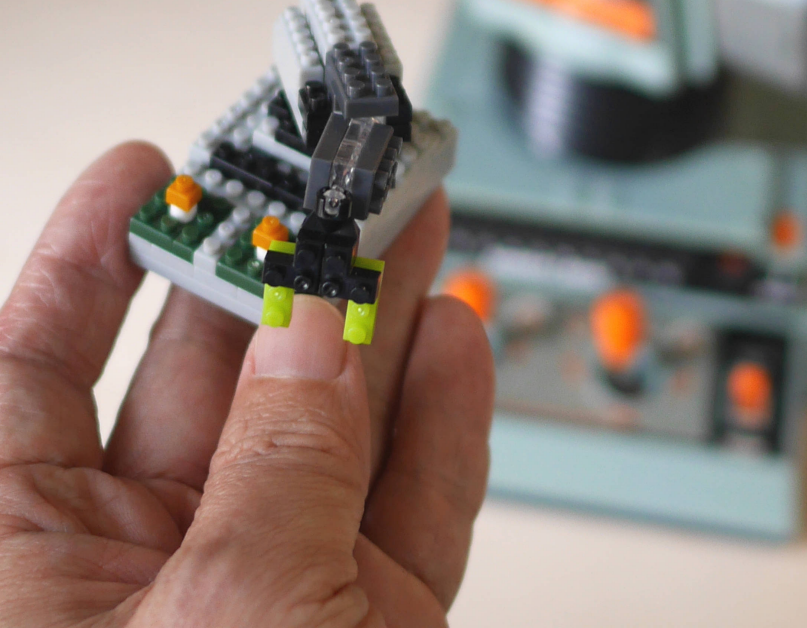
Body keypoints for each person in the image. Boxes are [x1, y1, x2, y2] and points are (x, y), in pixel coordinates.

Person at [0, 142, 494, 627]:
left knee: (337, 290)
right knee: (302, 288)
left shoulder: (345, 237)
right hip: (304, 266)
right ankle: (295, 322)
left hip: (325, 267)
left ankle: (298, 321)